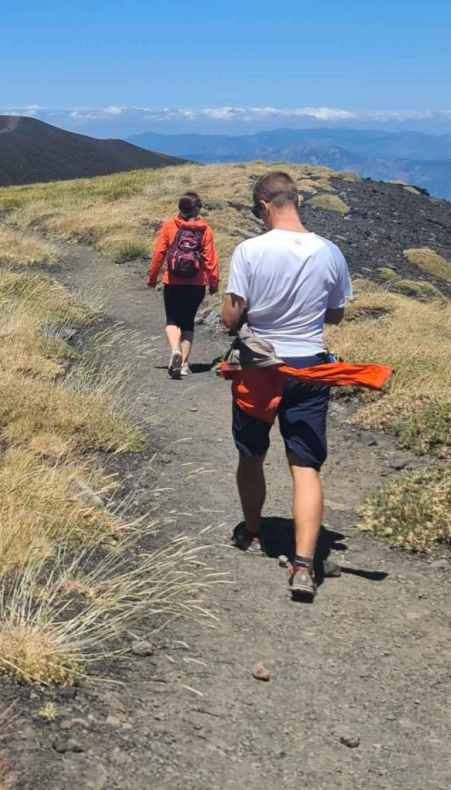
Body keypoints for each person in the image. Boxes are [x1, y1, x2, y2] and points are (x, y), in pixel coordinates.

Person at [221, 171, 352, 599]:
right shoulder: (330, 252)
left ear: (262, 207)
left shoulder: (249, 250)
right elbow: (335, 315)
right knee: (306, 466)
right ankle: (303, 565)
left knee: (252, 453)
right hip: (311, 369)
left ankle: (253, 533)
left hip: (261, 368)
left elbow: (230, 317)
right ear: (297, 200)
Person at [147, 191, 221, 379]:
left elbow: (159, 254)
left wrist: (153, 277)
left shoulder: (170, 226)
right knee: (188, 322)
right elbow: (211, 261)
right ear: (197, 208)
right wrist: (213, 284)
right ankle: (186, 364)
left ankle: (174, 351)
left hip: (172, 281)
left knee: (172, 320)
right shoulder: (205, 230)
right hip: (196, 284)